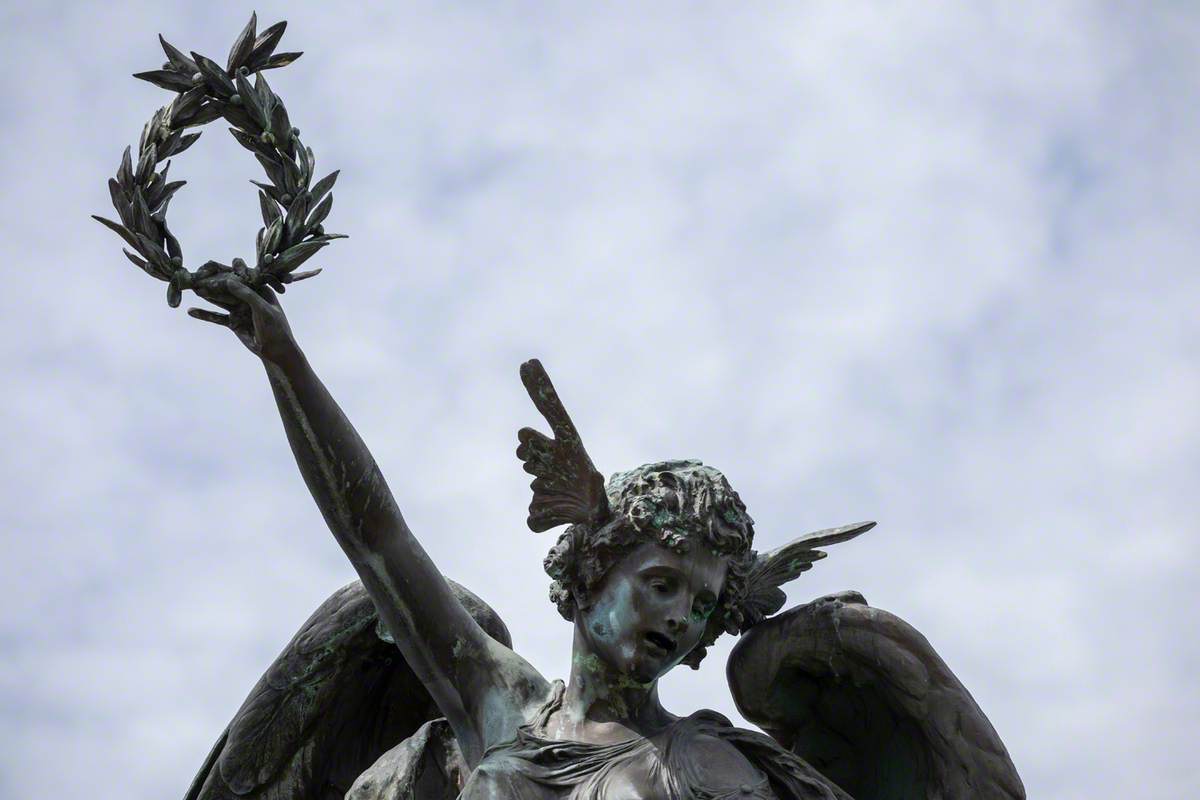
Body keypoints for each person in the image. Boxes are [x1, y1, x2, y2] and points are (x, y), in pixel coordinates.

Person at [190, 278, 854, 799]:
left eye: (703, 604)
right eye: (661, 585)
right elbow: (377, 538)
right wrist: (286, 361)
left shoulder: (714, 763)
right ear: (595, 567)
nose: (681, 617)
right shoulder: (497, 703)